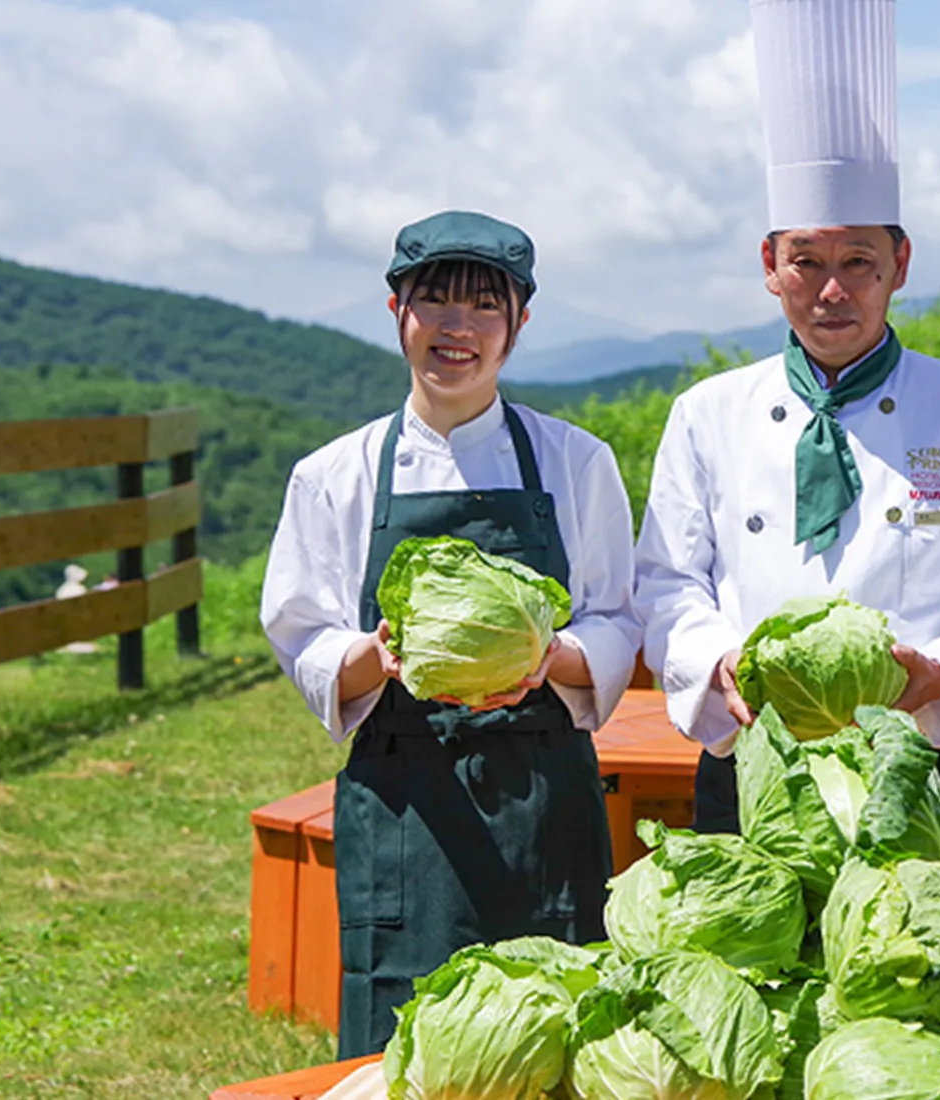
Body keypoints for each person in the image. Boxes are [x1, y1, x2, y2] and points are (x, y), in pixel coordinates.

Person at [633, 0, 940, 883]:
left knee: (922, 994)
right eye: (806, 261)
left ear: (900, 263)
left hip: (919, 767)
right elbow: (668, 582)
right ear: (769, 264)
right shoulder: (707, 413)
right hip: (754, 764)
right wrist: (718, 662)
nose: (831, 290)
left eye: (857, 261)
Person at [260, 210, 643, 1060]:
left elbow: (619, 615)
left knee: (554, 1029)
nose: (456, 328)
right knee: (403, 1040)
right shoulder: (335, 474)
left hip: (542, 791)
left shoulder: (577, 462)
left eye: (483, 307)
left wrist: (551, 659)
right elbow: (302, 631)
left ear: (518, 325)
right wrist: (376, 655)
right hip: (406, 797)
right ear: (397, 310)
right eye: (434, 301)